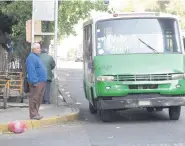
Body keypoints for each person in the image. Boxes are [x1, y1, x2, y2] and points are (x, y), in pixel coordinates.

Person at [26, 43, 47, 120]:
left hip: (41, 81)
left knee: (38, 98)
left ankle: (36, 113)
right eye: (38, 48)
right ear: (34, 49)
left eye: (39, 48)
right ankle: (33, 114)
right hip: (36, 81)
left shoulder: (36, 57)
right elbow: (31, 71)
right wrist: (34, 81)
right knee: (34, 98)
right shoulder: (31, 57)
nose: (40, 49)